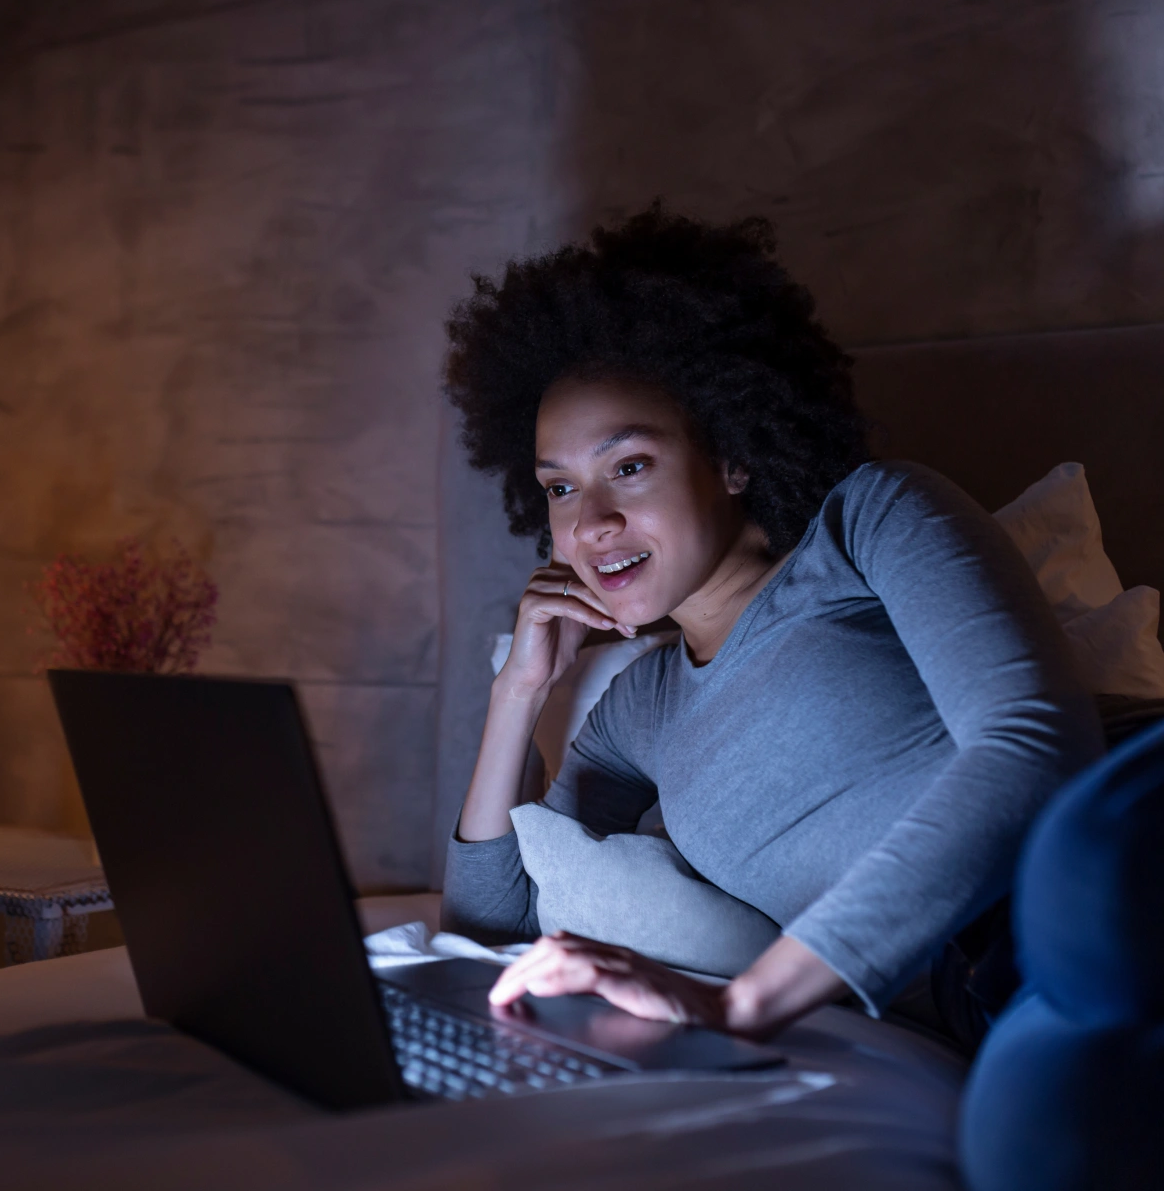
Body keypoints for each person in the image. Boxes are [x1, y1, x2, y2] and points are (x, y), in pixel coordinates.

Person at [440, 204, 1104, 1045]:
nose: (590, 522)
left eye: (631, 466)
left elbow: (1038, 746)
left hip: (1090, 897)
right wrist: (518, 692)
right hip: (996, 1008)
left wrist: (747, 1002)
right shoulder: (637, 713)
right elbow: (489, 925)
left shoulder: (868, 521)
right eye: (560, 487)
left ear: (733, 454)